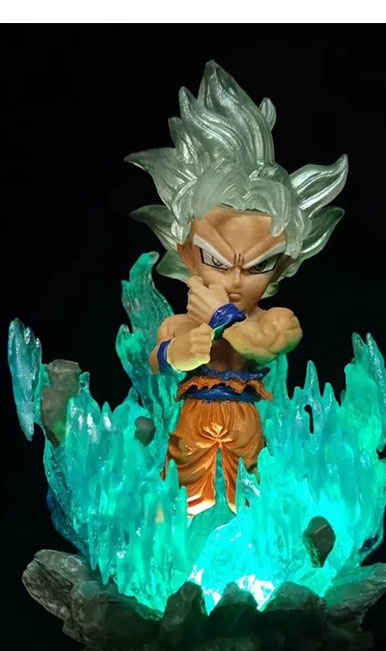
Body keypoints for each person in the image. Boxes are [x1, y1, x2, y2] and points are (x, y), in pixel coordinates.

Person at [126, 61, 348, 515]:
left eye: (258, 266)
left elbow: (265, 345)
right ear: (186, 253)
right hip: (191, 430)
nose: (233, 280)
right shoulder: (180, 322)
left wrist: (220, 318)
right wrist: (177, 352)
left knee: (248, 507)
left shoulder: (277, 319)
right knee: (179, 508)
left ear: (283, 266)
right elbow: (157, 358)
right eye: (216, 259)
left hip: (247, 431)